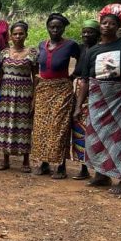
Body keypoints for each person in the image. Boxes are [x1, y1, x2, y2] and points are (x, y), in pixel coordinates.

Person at [76, 4, 121, 195]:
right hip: (97, 101)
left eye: (112, 23)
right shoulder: (92, 51)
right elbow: (85, 81)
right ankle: (101, 175)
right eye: (104, 22)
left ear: (119, 26)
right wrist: (78, 106)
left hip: (120, 101)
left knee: (120, 139)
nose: (107, 26)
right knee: (96, 137)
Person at [31, 13, 80, 179]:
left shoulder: (70, 45)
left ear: (63, 28)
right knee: (42, 127)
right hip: (44, 89)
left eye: (58, 27)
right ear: (47, 28)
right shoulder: (41, 45)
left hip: (62, 89)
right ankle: (44, 162)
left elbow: (82, 60)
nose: (55, 30)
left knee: (59, 127)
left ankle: (60, 165)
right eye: (52, 27)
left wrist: (73, 76)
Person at [0, 21, 38, 172]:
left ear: (26, 35)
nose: (18, 36)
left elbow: (35, 76)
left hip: (24, 93)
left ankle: (26, 161)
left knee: (24, 125)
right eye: (15, 34)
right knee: (5, 125)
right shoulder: (4, 53)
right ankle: (5, 160)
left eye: (21, 33)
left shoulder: (32, 53)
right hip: (6, 92)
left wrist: (34, 97)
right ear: (10, 36)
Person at [71, 20, 101, 180]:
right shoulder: (79, 48)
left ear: (97, 34)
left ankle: (94, 167)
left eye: (90, 32)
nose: (86, 35)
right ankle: (83, 167)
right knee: (77, 129)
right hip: (76, 88)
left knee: (90, 129)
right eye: (84, 32)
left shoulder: (100, 50)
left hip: (93, 91)